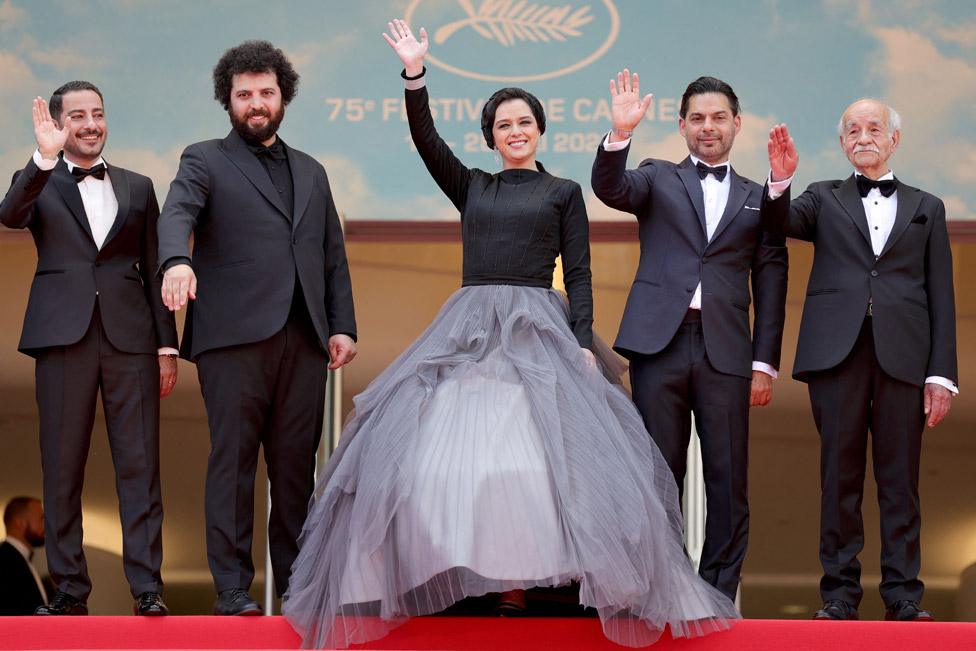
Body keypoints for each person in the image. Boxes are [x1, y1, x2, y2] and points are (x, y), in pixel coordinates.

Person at [282, 20, 738, 649]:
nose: (515, 131)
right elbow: (425, 139)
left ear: (540, 131)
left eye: (525, 122)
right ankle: (470, 580)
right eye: (503, 125)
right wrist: (415, 73)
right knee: (455, 463)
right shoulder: (473, 185)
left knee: (536, 463)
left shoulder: (563, 192)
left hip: (541, 328)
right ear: (492, 139)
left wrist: (581, 339)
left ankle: (529, 584)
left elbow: (578, 276)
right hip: (469, 327)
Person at [157, 41, 358, 616]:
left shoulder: (313, 171)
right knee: (234, 461)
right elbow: (178, 215)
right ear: (228, 101)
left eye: (265, 92)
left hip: (303, 336)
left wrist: (342, 325)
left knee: (296, 468)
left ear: (282, 96)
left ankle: (297, 587)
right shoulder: (203, 159)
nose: (255, 103)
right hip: (233, 338)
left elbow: (331, 255)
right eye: (243, 95)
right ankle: (230, 588)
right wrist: (176, 260)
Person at [590, 73, 788, 601]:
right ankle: (664, 586)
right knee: (657, 472)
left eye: (718, 117)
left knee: (728, 479)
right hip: (660, 344)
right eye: (697, 118)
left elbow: (771, 277)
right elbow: (610, 188)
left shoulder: (758, 196)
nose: (708, 127)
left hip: (727, 351)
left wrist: (764, 362)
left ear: (737, 124)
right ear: (681, 126)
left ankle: (717, 594)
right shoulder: (656, 177)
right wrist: (619, 133)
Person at [764, 100, 957, 622]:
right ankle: (839, 596)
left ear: (894, 139)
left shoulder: (927, 206)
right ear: (843, 142)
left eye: (874, 128)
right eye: (853, 130)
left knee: (900, 482)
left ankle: (903, 596)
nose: (863, 136)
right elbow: (777, 222)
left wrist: (942, 375)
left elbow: (942, 295)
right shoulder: (822, 197)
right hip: (836, 355)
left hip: (905, 358)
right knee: (839, 478)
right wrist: (779, 181)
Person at [0, 83, 178, 616]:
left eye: (97, 113)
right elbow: (9, 214)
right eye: (77, 115)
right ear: (59, 123)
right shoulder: (41, 178)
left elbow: (155, 265)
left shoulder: (139, 186)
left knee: (140, 465)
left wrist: (166, 346)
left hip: (132, 339)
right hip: (62, 338)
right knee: (61, 467)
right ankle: (70, 591)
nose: (90, 123)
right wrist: (43, 157)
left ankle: (148, 587)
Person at [0, 497, 49, 615]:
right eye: (41, 518)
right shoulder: (4, 561)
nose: (46, 525)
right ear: (19, 523)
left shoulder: (24, 560)